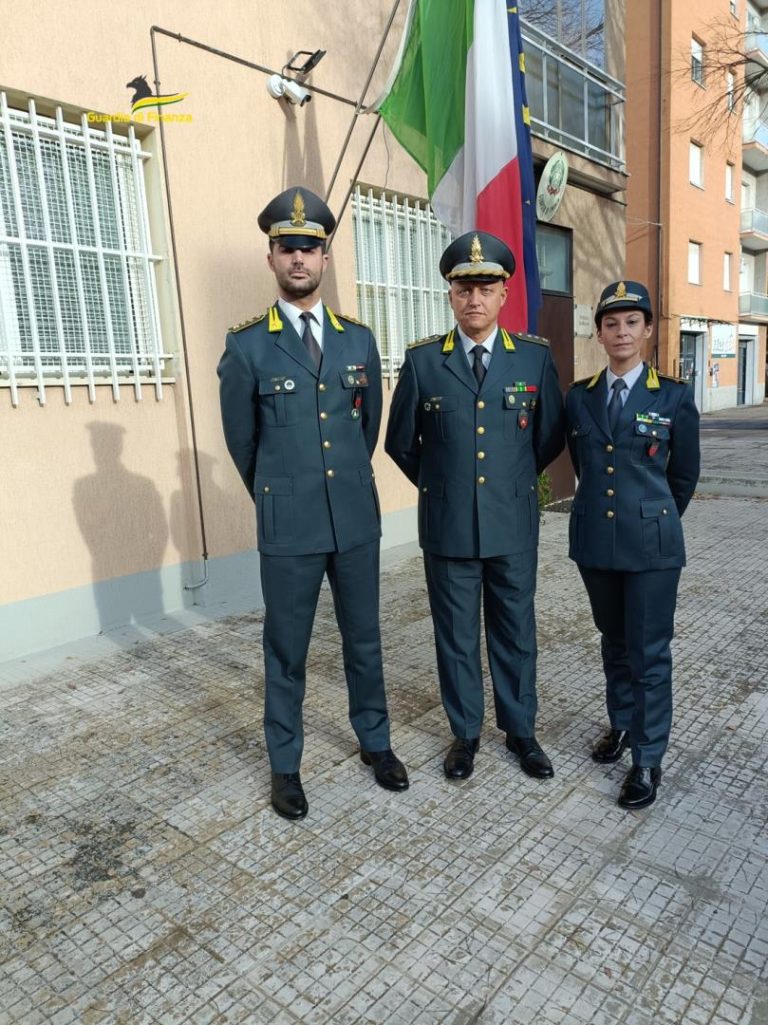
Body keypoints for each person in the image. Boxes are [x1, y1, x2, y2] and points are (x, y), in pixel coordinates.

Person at [217, 186, 408, 820]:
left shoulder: (357, 340)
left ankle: (374, 743)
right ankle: (286, 764)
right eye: (286, 248)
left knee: (364, 640)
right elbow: (244, 447)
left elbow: (366, 430)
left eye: (310, 247)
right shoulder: (246, 346)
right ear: (270, 257)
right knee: (287, 649)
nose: (299, 258)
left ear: (326, 257)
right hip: (289, 525)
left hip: (353, 518)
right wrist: (284, 493)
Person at [385, 230, 565, 781]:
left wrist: (506, 484)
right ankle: (464, 735)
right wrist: (445, 485)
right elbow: (400, 442)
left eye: (485, 287)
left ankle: (520, 731)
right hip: (448, 528)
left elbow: (549, 436)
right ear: (450, 294)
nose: (474, 299)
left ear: (504, 294)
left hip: (511, 524)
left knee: (515, 630)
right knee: (456, 636)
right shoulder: (423, 363)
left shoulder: (532, 360)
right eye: (464, 288)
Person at [566, 281, 700, 810]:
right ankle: (622, 724)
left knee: (648, 653)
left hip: (652, 547)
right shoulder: (580, 396)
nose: (621, 332)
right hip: (597, 541)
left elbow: (683, 475)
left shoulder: (673, 396)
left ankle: (647, 757)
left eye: (631, 322)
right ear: (599, 332)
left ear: (647, 330)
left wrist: (653, 518)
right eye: (611, 323)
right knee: (613, 641)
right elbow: (586, 468)